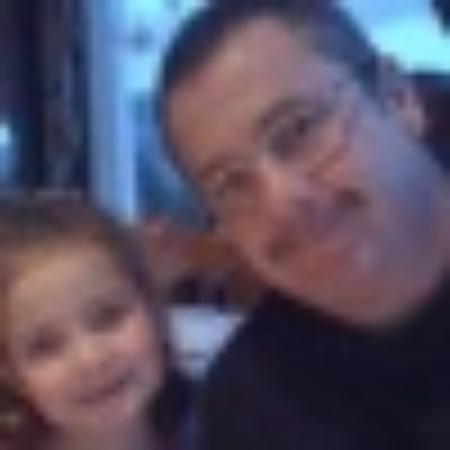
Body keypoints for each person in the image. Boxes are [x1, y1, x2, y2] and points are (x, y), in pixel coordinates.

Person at [157, 0, 450, 449]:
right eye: (232, 184)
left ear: (397, 98)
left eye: (297, 131)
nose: (282, 202)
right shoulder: (252, 407)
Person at [0, 195, 191, 450]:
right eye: (45, 348)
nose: (90, 359)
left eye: (107, 318)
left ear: (153, 308)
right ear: (11, 374)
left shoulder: (225, 421)